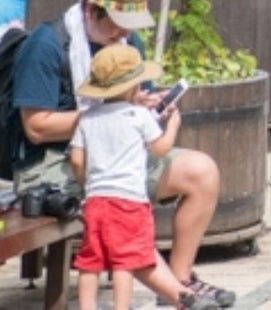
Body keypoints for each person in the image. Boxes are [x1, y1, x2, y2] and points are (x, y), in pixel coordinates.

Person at [9, 0, 234, 308]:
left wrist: (144, 108)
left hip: (117, 153)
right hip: (52, 162)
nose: (122, 32)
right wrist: (103, 118)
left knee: (202, 171)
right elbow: (36, 127)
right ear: (90, 11)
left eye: (129, 25)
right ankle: (180, 296)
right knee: (118, 206)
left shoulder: (128, 42)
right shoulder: (46, 45)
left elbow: (132, 104)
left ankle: (180, 276)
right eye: (115, 23)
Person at [70, 45, 215, 310]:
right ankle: (121, 307)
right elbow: (160, 149)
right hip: (129, 203)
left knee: (90, 260)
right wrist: (172, 126)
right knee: (125, 259)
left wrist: (86, 183)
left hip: (96, 201)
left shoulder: (87, 119)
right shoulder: (138, 115)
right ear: (131, 86)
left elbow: (77, 160)